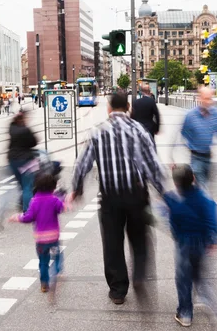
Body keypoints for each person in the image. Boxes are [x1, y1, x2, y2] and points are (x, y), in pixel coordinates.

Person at [70, 91, 165, 305]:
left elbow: (82, 164)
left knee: (112, 243)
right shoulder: (139, 130)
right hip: (136, 194)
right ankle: (139, 275)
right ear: (129, 107)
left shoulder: (98, 132)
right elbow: (152, 165)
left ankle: (118, 290)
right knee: (139, 239)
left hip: (110, 196)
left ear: (109, 108)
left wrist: (76, 190)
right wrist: (163, 191)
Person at [163, 164, 217, 327]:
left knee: (183, 278)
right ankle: (207, 300)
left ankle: (185, 313)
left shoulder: (173, 199)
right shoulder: (203, 198)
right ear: (193, 178)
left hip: (183, 243)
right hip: (201, 243)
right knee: (200, 273)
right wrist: (213, 239)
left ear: (176, 184)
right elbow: (211, 218)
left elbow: (169, 219)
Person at [9, 173, 65, 293]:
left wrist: (17, 217)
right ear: (53, 187)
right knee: (57, 255)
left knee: (43, 261)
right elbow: (61, 208)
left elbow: (28, 217)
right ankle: (56, 271)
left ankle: (44, 283)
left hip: (40, 239)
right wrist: (62, 198)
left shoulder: (34, 201)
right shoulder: (54, 200)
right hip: (53, 237)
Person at [180, 86, 217, 189]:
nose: (209, 101)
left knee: (206, 186)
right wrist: (192, 144)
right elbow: (184, 133)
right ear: (200, 98)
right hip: (196, 157)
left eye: (210, 98)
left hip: (208, 156)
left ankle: (200, 202)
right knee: (202, 186)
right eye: (206, 98)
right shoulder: (191, 115)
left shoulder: (215, 114)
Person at [8, 111, 38, 212]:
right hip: (26, 160)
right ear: (23, 119)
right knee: (27, 186)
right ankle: (28, 210)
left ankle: (22, 203)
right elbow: (34, 142)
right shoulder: (26, 130)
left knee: (22, 185)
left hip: (12, 160)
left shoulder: (12, 128)